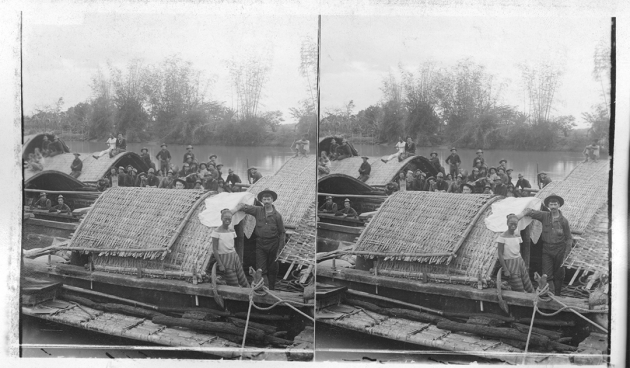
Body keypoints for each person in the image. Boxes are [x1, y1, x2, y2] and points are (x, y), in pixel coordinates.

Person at [520, 194, 572, 296]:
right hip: (547, 249)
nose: (553, 206)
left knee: (559, 274)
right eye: (551, 204)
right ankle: (549, 294)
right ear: (548, 205)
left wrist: (566, 254)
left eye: (555, 203)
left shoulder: (564, 221)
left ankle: (557, 294)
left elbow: (569, 238)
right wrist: (518, 216)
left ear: (559, 205)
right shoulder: (544, 216)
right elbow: (531, 212)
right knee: (546, 274)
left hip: (560, 249)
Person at [237, 189, 285, 290]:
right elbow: (245, 207)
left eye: (268, 199)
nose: (266, 201)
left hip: (273, 244)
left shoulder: (277, 216)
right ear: (262, 201)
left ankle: (272, 288)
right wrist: (235, 209)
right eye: (264, 199)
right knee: (260, 268)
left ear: (272, 200)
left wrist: (280, 250)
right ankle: (261, 288)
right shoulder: (258, 210)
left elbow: (282, 233)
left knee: (273, 267)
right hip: (260, 244)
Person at [211, 209, 249, 288]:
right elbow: (214, 249)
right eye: (225, 219)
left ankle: (249, 295)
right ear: (221, 218)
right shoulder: (216, 232)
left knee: (242, 278)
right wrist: (220, 264)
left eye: (229, 219)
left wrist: (236, 257)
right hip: (224, 258)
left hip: (234, 256)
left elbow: (232, 245)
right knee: (233, 282)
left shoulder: (232, 231)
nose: (227, 221)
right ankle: (236, 297)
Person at [497, 214, 535, 293]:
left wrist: (521, 263)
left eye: (515, 224)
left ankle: (533, 300)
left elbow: (518, 250)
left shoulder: (517, 236)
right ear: (507, 223)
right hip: (510, 263)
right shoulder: (502, 237)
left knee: (528, 284)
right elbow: (500, 254)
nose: (513, 226)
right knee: (518, 288)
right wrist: (506, 269)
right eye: (511, 223)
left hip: (519, 261)